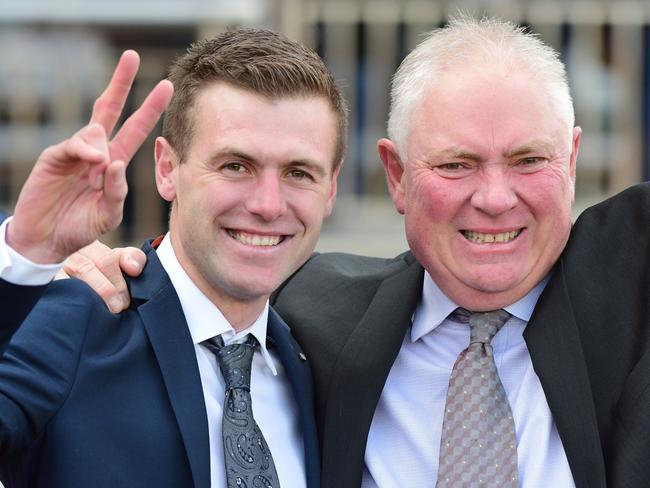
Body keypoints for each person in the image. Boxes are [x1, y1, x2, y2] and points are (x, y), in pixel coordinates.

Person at [8, 17, 650, 488]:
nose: (493, 197)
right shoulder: (95, 314)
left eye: (528, 160)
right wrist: (27, 264)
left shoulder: (626, 290)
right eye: (455, 163)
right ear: (395, 176)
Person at [0, 28, 348, 487]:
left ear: (331, 190)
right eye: (235, 166)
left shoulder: (326, 357)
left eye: (298, 172)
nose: (268, 204)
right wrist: (23, 253)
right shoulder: (79, 318)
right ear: (167, 169)